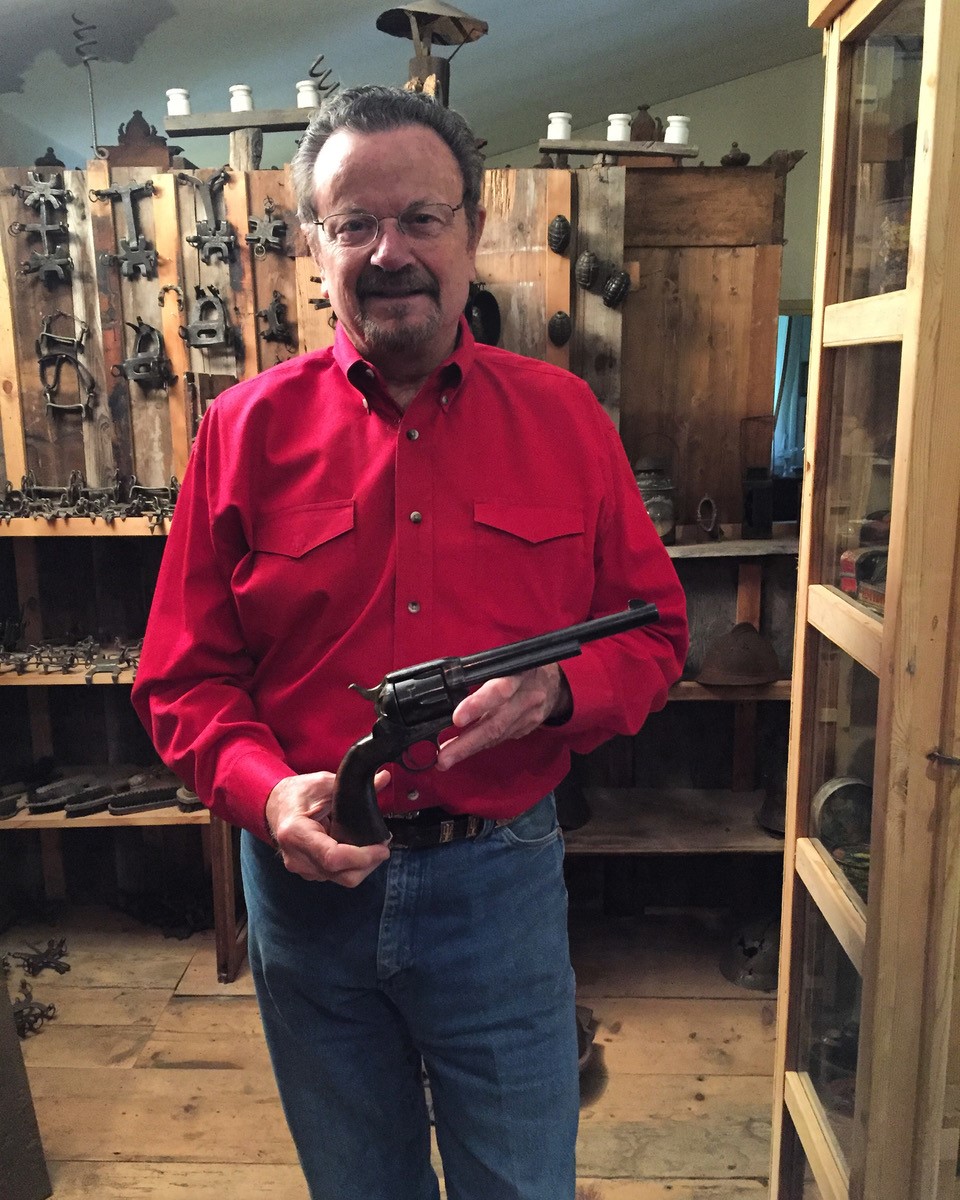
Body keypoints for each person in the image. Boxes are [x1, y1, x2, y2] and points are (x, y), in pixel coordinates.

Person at [132, 84, 687, 1200]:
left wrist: (555, 691)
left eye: (422, 218)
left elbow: (657, 636)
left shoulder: (568, 420)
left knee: (524, 1184)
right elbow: (183, 680)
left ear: (471, 231)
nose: (390, 252)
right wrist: (265, 795)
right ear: (315, 246)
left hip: (500, 883)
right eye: (355, 224)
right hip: (308, 892)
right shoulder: (240, 431)